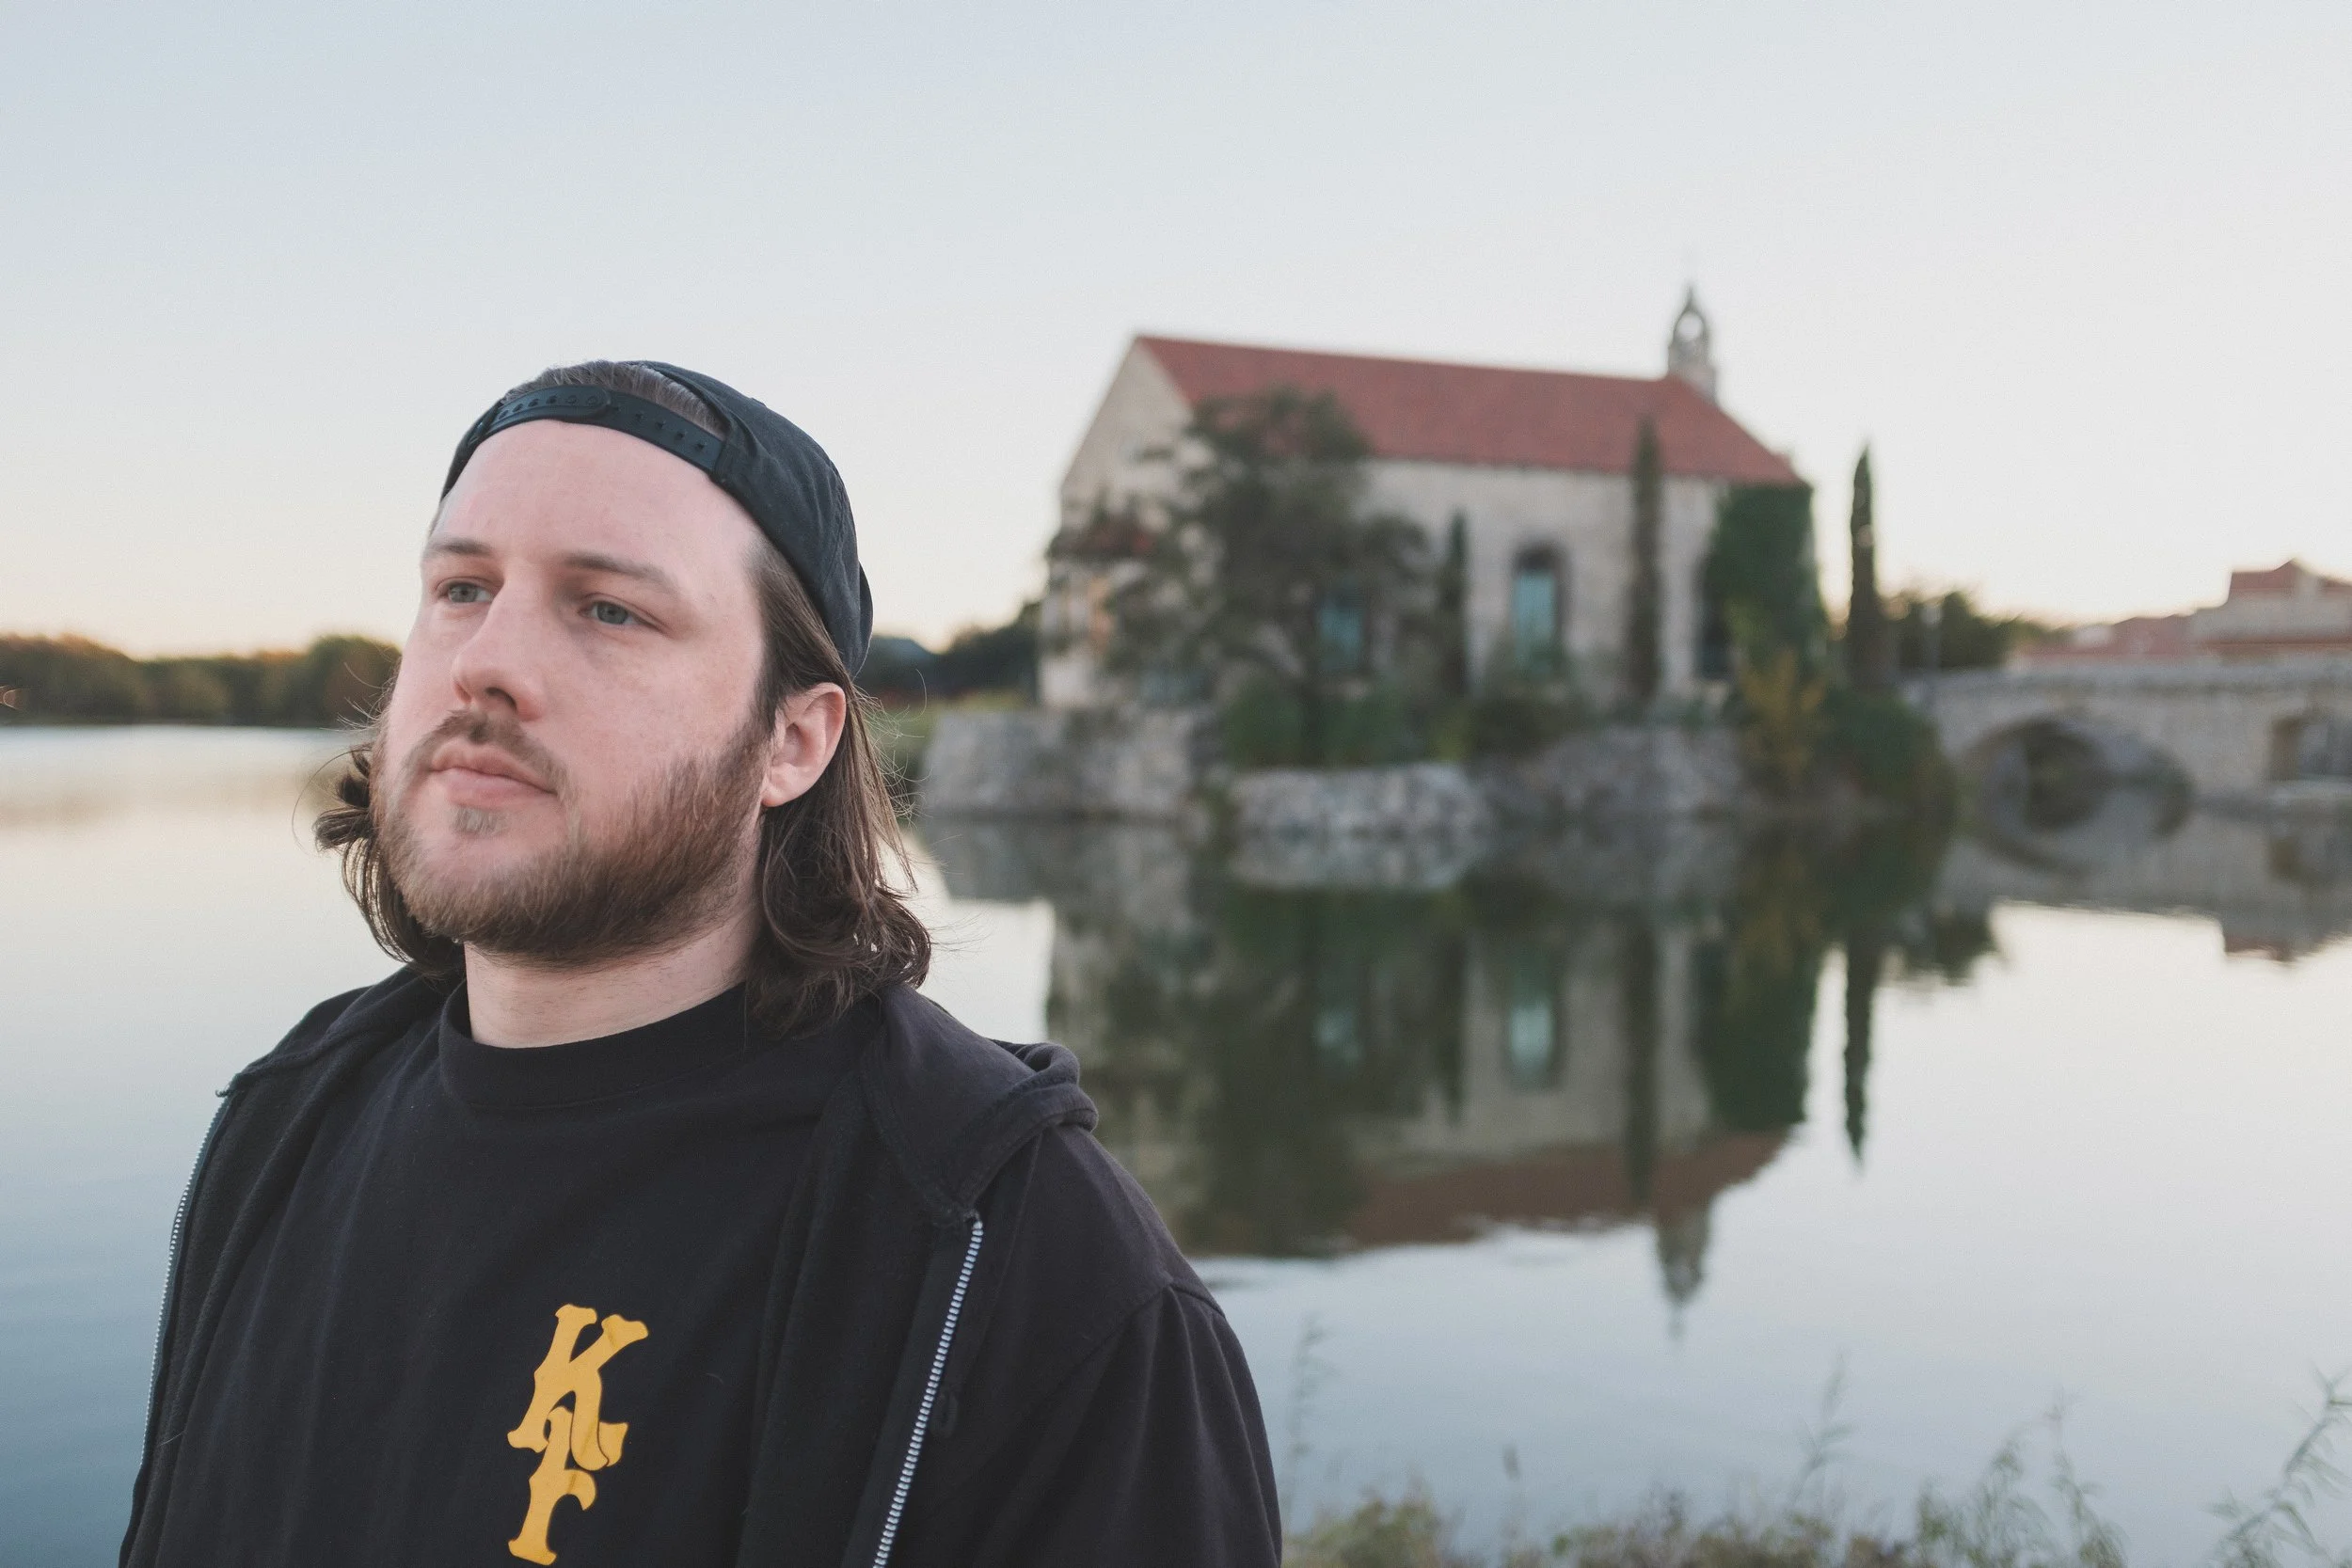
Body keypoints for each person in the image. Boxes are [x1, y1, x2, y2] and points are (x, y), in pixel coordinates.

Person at [120, 361, 1281, 1568]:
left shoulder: (1018, 1265)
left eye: (608, 609)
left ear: (792, 740)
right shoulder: (291, 1114)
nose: (486, 661)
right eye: (461, 587)